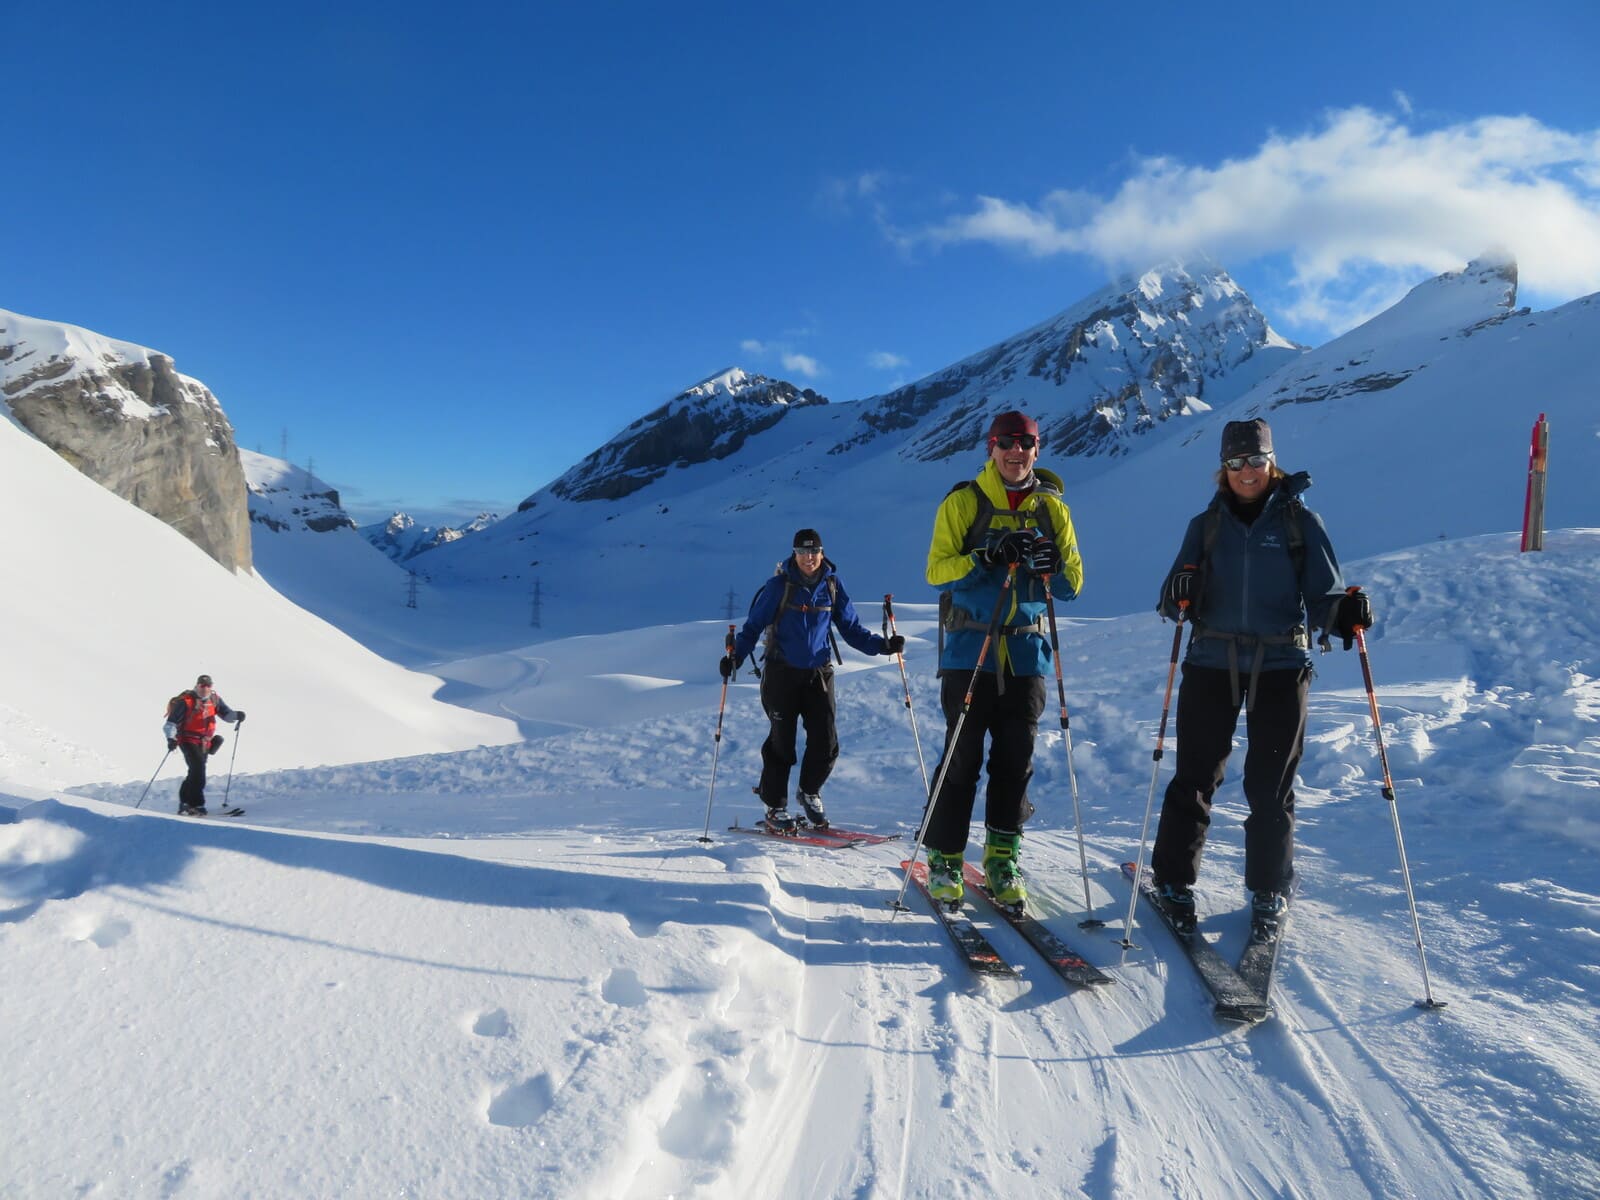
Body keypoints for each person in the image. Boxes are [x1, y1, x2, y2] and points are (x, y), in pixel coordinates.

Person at [1151, 417, 1372, 938]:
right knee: (1196, 777)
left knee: (1271, 785)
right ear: (1222, 470)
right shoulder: (1203, 527)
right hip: (1211, 661)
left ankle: (1269, 889)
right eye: (1236, 463)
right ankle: (1173, 881)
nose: (1246, 472)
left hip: (1280, 664)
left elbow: (1325, 596)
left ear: (1272, 463)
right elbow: (1171, 601)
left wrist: (1345, 614)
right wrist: (1181, 588)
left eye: (1256, 460)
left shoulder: (1300, 523)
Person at [922, 411, 1084, 910]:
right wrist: (986, 557)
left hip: (1026, 655)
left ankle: (1001, 858)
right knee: (961, 759)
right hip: (970, 652)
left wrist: (1051, 567)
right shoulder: (964, 502)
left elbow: (1073, 583)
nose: (1017, 451)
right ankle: (945, 858)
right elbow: (937, 572)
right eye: (1007, 443)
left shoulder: (1053, 510)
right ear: (991, 448)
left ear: (1038, 448)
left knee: (1015, 763)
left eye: (1027, 443)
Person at [722, 529, 903, 831]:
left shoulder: (832, 585)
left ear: (822, 552)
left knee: (826, 741)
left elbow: (851, 628)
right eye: (803, 552)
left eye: (814, 551)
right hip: (781, 673)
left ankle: (809, 792)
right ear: (794, 554)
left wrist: (882, 646)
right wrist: (735, 657)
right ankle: (774, 805)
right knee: (782, 741)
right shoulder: (779, 586)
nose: (809, 558)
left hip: (819, 673)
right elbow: (753, 627)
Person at [163, 673, 247, 816]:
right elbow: (170, 724)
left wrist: (237, 715)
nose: (205, 688)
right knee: (198, 769)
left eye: (208, 686)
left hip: (205, 742)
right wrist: (171, 739)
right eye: (202, 685)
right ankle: (196, 804)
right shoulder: (186, 702)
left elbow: (226, 714)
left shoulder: (214, 699)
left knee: (195, 771)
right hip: (187, 739)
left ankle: (185, 803)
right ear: (197, 685)